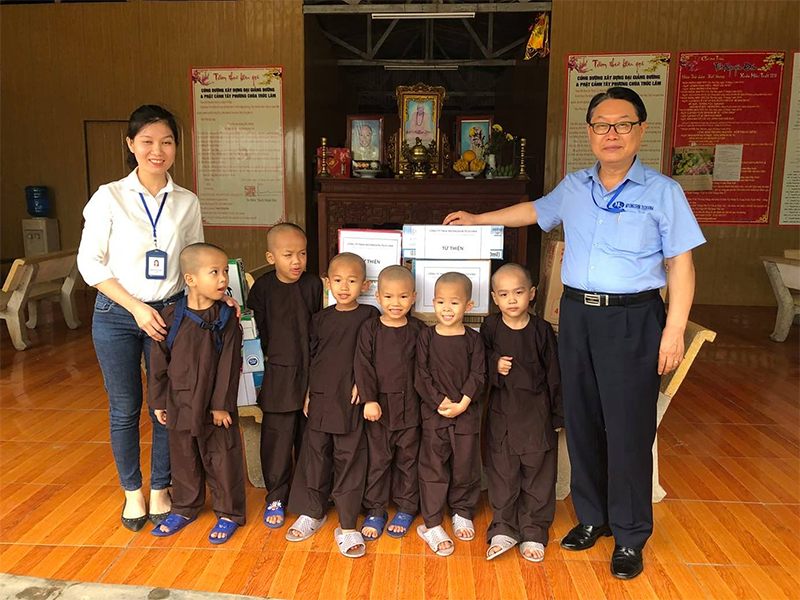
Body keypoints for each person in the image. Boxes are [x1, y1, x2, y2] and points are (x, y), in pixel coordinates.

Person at [444, 86, 705, 579]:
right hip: (577, 316)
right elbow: (533, 211)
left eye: (622, 123)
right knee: (581, 419)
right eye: (602, 124)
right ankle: (593, 518)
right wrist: (478, 219)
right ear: (588, 132)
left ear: (641, 130)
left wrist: (672, 331)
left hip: (633, 319)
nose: (612, 133)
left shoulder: (663, 192)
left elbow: (682, 267)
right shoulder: (575, 185)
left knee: (628, 429)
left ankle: (629, 535)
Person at [77, 105, 237, 531]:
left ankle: (164, 486)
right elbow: (90, 264)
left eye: (166, 141)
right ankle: (133, 492)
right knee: (125, 408)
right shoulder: (108, 197)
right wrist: (135, 307)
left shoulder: (186, 201)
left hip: (171, 315)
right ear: (130, 145)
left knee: (169, 405)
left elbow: (196, 264)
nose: (157, 150)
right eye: (147, 141)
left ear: (175, 148)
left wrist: (224, 295)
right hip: (117, 314)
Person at [148, 243, 246, 543]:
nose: (222, 279)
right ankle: (185, 506)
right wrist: (158, 401)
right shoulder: (169, 316)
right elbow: (157, 363)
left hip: (216, 406)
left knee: (222, 456)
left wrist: (221, 406)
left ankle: (229, 512)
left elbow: (230, 365)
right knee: (183, 456)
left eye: (225, 272)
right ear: (190, 279)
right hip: (180, 400)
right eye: (214, 272)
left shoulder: (227, 318)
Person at [286, 253, 379, 558]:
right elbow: (313, 358)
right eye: (337, 280)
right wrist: (309, 392)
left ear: (364, 284)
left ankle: (349, 524)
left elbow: (373, 357)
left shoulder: (370, 316)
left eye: (352, 281)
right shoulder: (321, 318)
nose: (344, 287)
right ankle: (313, 512)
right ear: (327, 282)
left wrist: (363, 386)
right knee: (315, 454)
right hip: (322, 396)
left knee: (349, 458)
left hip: (350, 398)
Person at [480, 264, 562, 563]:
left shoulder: (542, 330)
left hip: (536, 414)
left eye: (518, 292)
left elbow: (555, 373)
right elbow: (478, 362)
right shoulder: (490, 327)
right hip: (501, 412)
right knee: (502, 473)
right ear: (494, 297)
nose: (512, 300)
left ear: (532, 294)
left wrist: (558, 415)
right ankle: (503, 528)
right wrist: (494, 364)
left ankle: (534, 531)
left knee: (538, 476)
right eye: (504, 294)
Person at [246, 223, 323, 529]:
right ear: (270, 257)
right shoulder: (262, 288)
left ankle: (307, 497)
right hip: (277, 375)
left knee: (309, 439)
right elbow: (255, 333)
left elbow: (322, 329)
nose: (296, 261)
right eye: (288, 254)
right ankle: (276, 495)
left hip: (310, 373)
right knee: (276, 441)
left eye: (302, 254)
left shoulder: (314, 285)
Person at [414, 272, 486, 557]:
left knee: (465, 464)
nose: (446, 308)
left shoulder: (473, 340)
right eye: (441, 301)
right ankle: (431, 522)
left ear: (468, 306)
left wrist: (464, 402)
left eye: (454, 302)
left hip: (466, 413)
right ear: (433, 302)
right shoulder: (426, 337)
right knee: (433, 465)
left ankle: (462, 510)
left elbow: (479, 373)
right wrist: (440, 401)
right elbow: (421, 374)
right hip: (435, 413)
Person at [354, 265, 425, 540]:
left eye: (403, 297)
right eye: (390, 297)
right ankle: (376, 508)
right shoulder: (370, 328)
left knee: (409, 461)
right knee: (378, 461)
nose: (396, 303)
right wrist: (369, 399)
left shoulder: (419, 330)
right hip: (379, 410)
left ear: (414, 297)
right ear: (378, 296)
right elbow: (362, 365)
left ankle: (407, 507)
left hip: (411, 409)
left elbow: (427, 368)